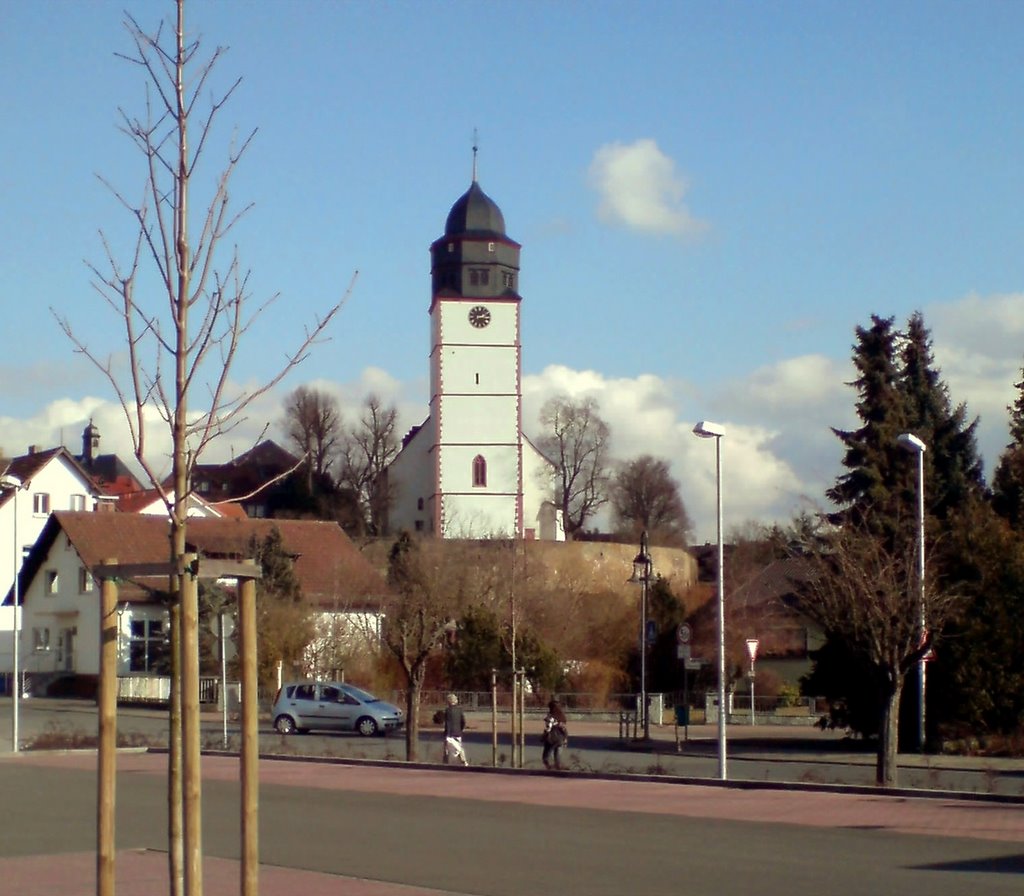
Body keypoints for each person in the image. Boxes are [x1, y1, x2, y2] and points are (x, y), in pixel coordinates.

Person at [542, 699, 569, 770]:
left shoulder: (550, 717)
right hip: (560, 739)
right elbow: (563, 728)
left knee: (546, 757)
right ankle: (558, 767)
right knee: (557, 757)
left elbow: (548, 728)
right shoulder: (561, 716)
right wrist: (565, 738)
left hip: (551, 739)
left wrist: (544, 735)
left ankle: (551, 767)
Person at [443, 693, 469, 766]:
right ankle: (461, 762)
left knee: (448, 750)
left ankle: (449, 764)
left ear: (448, 702)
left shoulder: (447, 711)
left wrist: (446, 733)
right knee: (457, 748)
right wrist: (461, 729)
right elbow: (463, 721)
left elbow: (447, 723)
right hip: (458, 733)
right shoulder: (460, 710)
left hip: (449, 734)